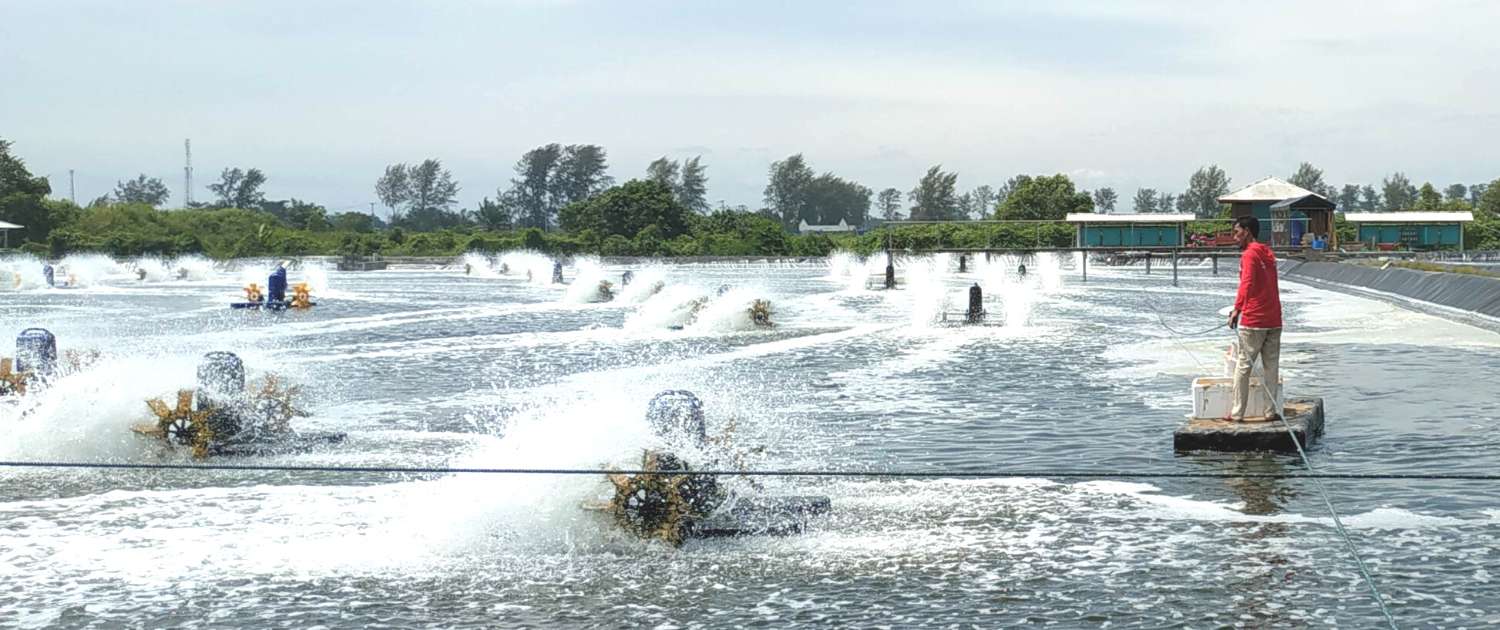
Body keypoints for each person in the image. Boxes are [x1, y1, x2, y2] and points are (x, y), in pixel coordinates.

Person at [1227, 216, 1282, 422]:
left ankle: (1237, 413)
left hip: (1254, 319)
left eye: (1237, 232)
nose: (1234, 237)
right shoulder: (1268, 253)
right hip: (1274, 318)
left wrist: (1236, 310)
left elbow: (1247, 283)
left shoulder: (1249, 255)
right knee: (1271, 367)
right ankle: (1270, 412)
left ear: (1247, 231)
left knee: (1243, 366)